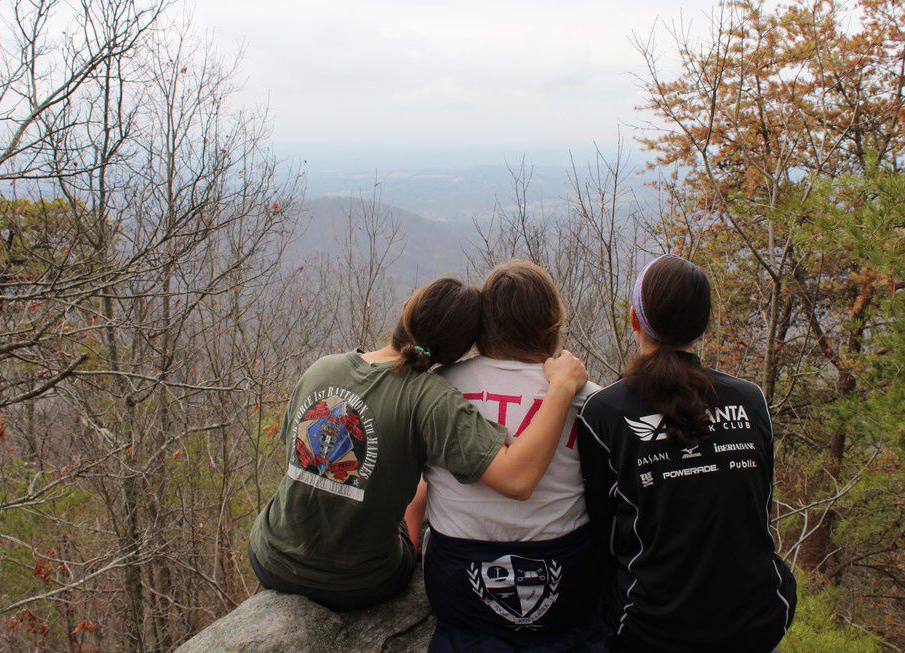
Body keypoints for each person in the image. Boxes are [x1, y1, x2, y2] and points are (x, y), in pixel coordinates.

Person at [248, 276, 588, 611]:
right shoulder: (431, 397)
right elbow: (517, 479)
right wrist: (561, 387)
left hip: (270, 557)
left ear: (407, 311)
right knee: (422, 490)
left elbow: (298, 456)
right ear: (457, 353)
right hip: (358, 583)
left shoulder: (323, 368)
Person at [577, 254, 797, 653]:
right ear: (703, 324)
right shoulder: (750, 401)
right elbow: (757, 510)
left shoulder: (604, 412)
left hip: (650, 629)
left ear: (634, 320)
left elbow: (603, 537)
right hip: (758, 619)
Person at [423, 260, 604, 652]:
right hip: (566, 583)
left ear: (483, 324)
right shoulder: (590, 400)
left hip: (456, 583)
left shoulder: (439, 387)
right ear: (553, 324)